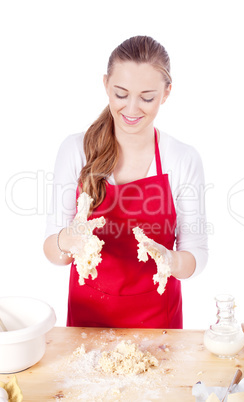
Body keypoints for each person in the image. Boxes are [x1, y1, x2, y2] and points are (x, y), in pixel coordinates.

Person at [44, 35, 208, 329]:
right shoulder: (75, 151)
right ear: (106, 84)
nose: (132, 110)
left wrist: (170, 260)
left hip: (159, 322)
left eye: (147, 98)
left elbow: (197, 253)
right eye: (121, 94)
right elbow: (54, 252)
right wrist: (65, 241)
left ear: (166, 93)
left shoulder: (182, 159)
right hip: (87, 324)